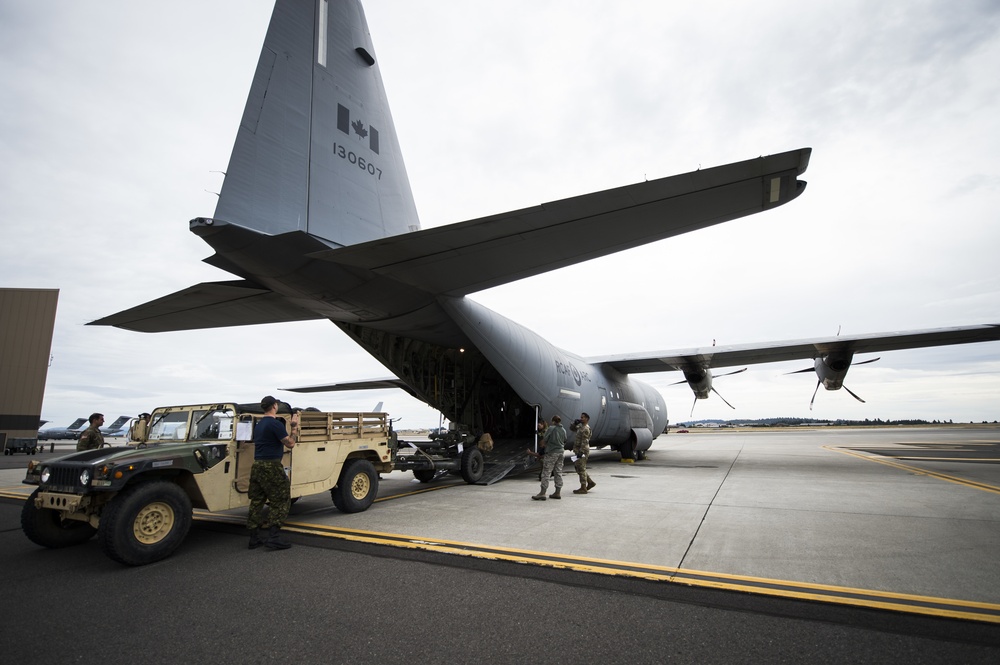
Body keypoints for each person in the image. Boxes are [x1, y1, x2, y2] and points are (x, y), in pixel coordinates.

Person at [247, 396, 300, 550]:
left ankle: (253, 538)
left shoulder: (259, 425)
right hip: (272, 465)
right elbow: (290, 444)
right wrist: (294, 427)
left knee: (257, 501)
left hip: (257, 466)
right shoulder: (275, 424)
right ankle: (273, 537)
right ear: (275, 406)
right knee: (282, 499)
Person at [533, 415, 566, 501]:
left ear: (553, 421)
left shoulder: (551, 428)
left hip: (551, 452)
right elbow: (565, 440)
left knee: (546, 472)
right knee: (558, 471)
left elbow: (545, 438)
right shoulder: (563, 430)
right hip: (561, 452)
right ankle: (557, 492)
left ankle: (542, 493)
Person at [570, 412, 596, 494]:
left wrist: (581, 452)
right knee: (579, 468)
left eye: (583, 417)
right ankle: (590, 482)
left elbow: (585, 441)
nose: (581, 419)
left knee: (581, 469)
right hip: (578, 450)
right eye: (581, 417)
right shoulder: (580, 427)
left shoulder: (586, 429)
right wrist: (574, 423)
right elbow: (572, 429)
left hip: (582, 451)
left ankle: (583, 487)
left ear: (587, 419)